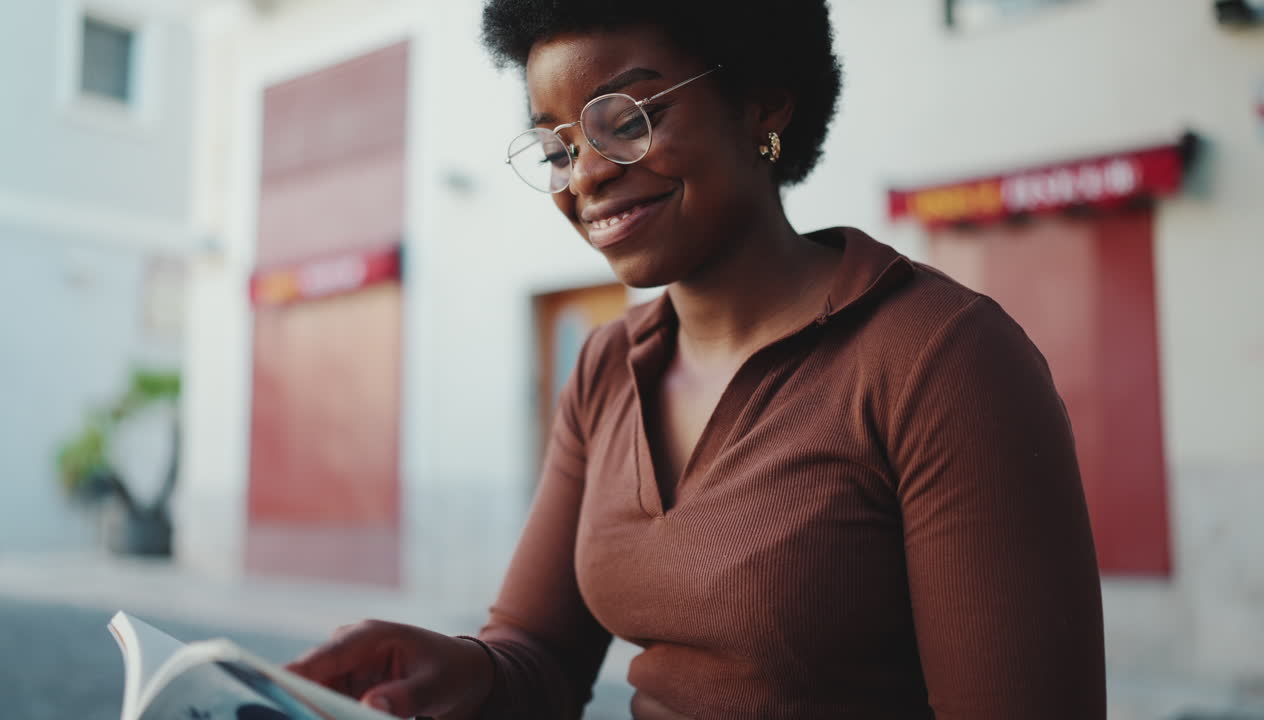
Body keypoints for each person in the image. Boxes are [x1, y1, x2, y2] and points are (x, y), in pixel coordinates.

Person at [285, 1, 1108, 718]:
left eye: (631, 119)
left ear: (763, 103)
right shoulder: (608, 367)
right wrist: (452, 670)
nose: (590, 176)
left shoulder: (941, 361)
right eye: (557, 150)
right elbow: (538, 658)